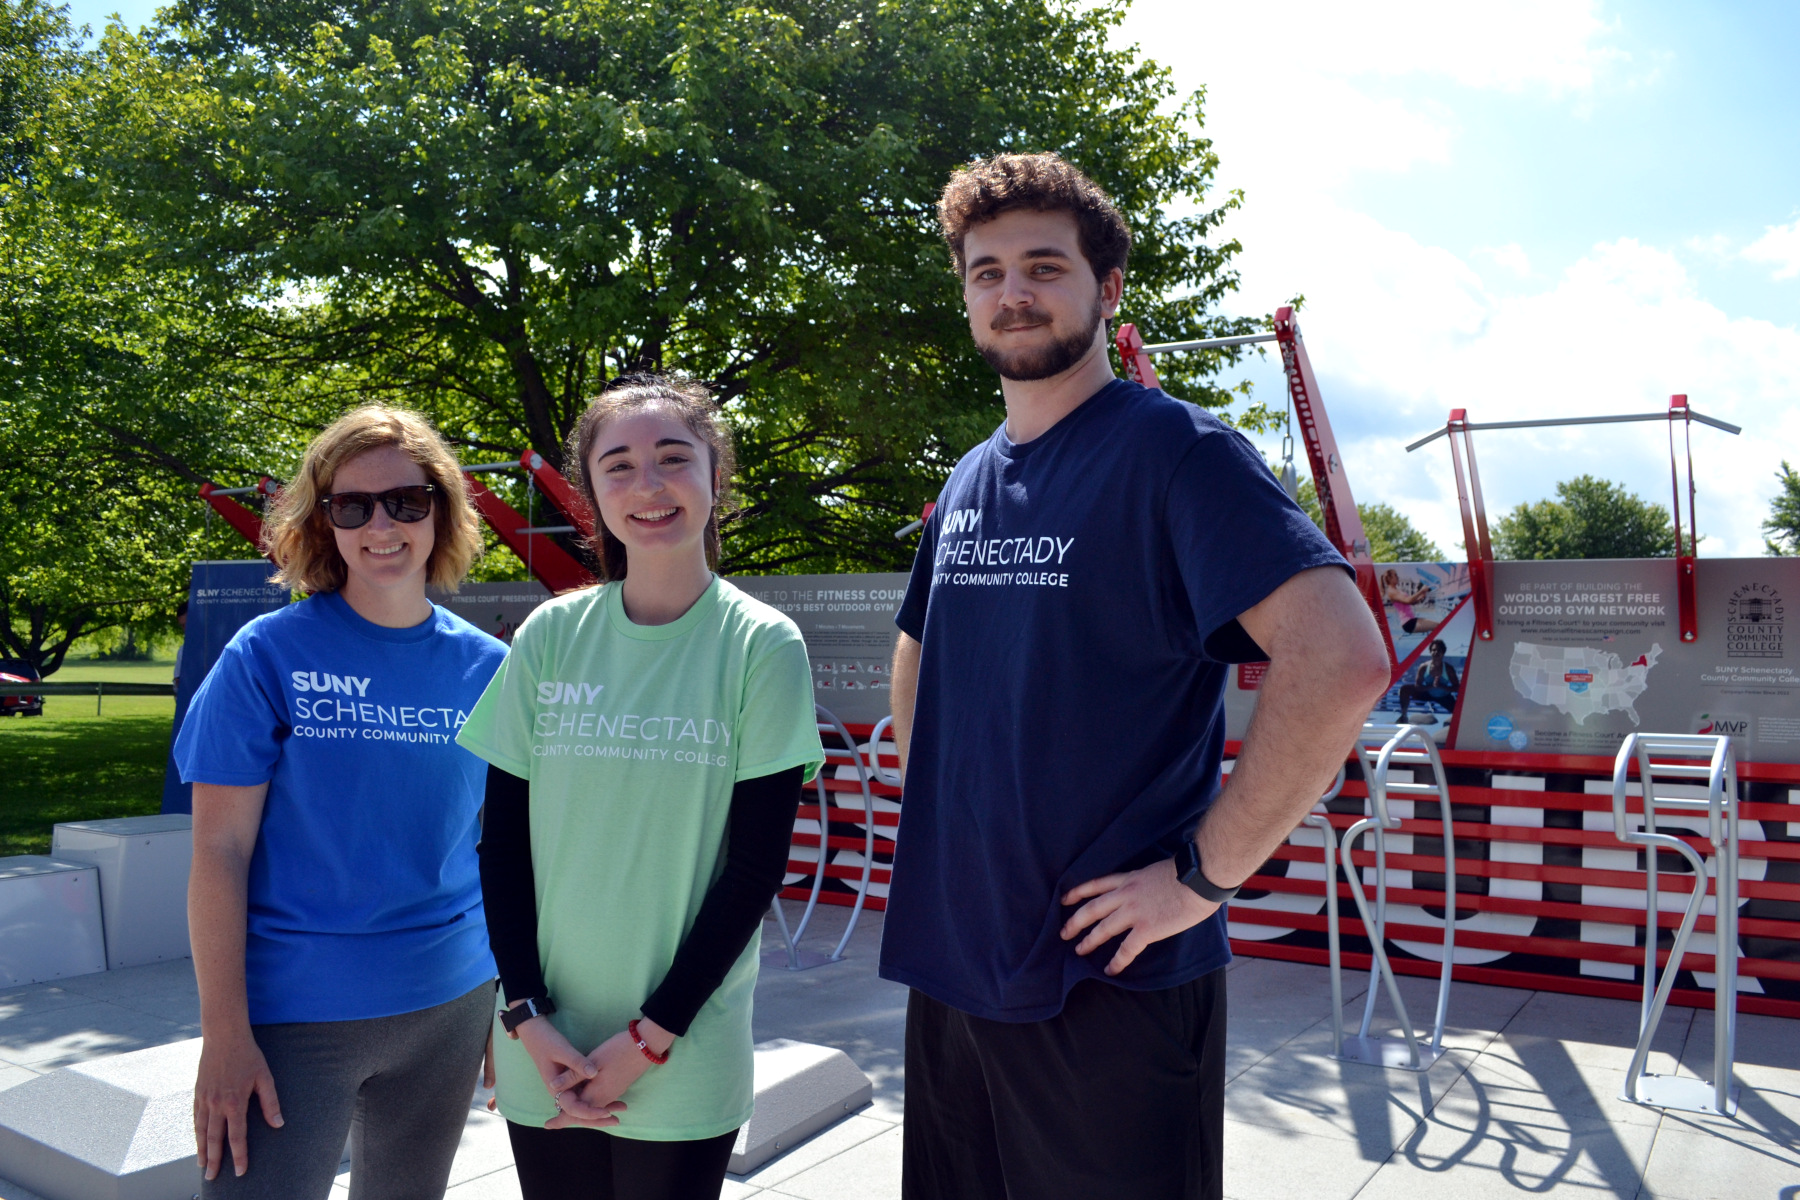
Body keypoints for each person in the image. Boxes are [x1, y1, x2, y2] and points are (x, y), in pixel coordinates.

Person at [885, 153, 1392, 1200]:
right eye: (986, 273)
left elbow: (1341, 659)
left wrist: (1203, 879)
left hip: (1104, 976)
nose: (1012, 292)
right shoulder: (972, 474)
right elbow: (921, 657)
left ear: (1107, 289)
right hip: (955, 961)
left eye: (1042, 266)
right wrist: (949, 822)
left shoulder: (1176, 452)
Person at [456, 375, 824, 1200]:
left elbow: (756, 868)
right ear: (591, 496)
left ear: (715, 479)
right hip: (540, 1041)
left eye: (672, 459)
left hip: (683, 1045)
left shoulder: (762, 645)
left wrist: (649, 1040)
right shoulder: (552, 634)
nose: (647, 486)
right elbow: (500, 844)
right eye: (618, 465)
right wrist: (524, 1015)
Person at [177, 407, 510, 1198]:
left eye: (406, 500)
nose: (381, 525)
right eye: (351, 505)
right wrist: (223, 1035)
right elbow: (218, 854)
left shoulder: (492, 668)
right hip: (296, 1020)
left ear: (443, 508)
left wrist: (509, 999)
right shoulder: (266, 654)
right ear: (323, 520)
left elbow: (499, 850)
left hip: (453, 1005)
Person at [1396, 639, 1459, 725]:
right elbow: (1418, 686)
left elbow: (1457, 687)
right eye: (1433, 650)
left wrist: (1441, 686)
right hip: (1428, 693)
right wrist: (1432, 686)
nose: (1436, 652)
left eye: (1439, 650)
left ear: (1443, 653)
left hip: (1444, 697)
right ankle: (1403, 716)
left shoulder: (1448, 669)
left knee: (1461, 713)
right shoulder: (1424, 667)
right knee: (1405, 689)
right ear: (1430, 652)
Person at [1381, 567, 1439, 634]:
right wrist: (1421, 591)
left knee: (1438, 626)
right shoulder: (1392, 592)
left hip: (1411, 620)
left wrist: (1420, 597)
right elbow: (1408, 600)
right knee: (1438, 626)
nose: (1398, 577)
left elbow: (1411, 602)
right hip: (1408, 623)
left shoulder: (1396, 590)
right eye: (1395, 575)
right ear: (1389, 578)